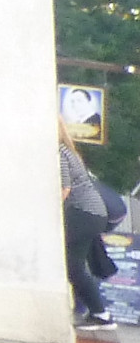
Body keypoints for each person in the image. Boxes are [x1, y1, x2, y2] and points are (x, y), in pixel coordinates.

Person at [59, 120, 115, 328]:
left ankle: (99, 313)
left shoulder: (60, 152)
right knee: (74, 265)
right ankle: (98, 313)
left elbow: (65, 189)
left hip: (83, 212)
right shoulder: (69, 151)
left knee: (71, 264)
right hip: (92, 214)